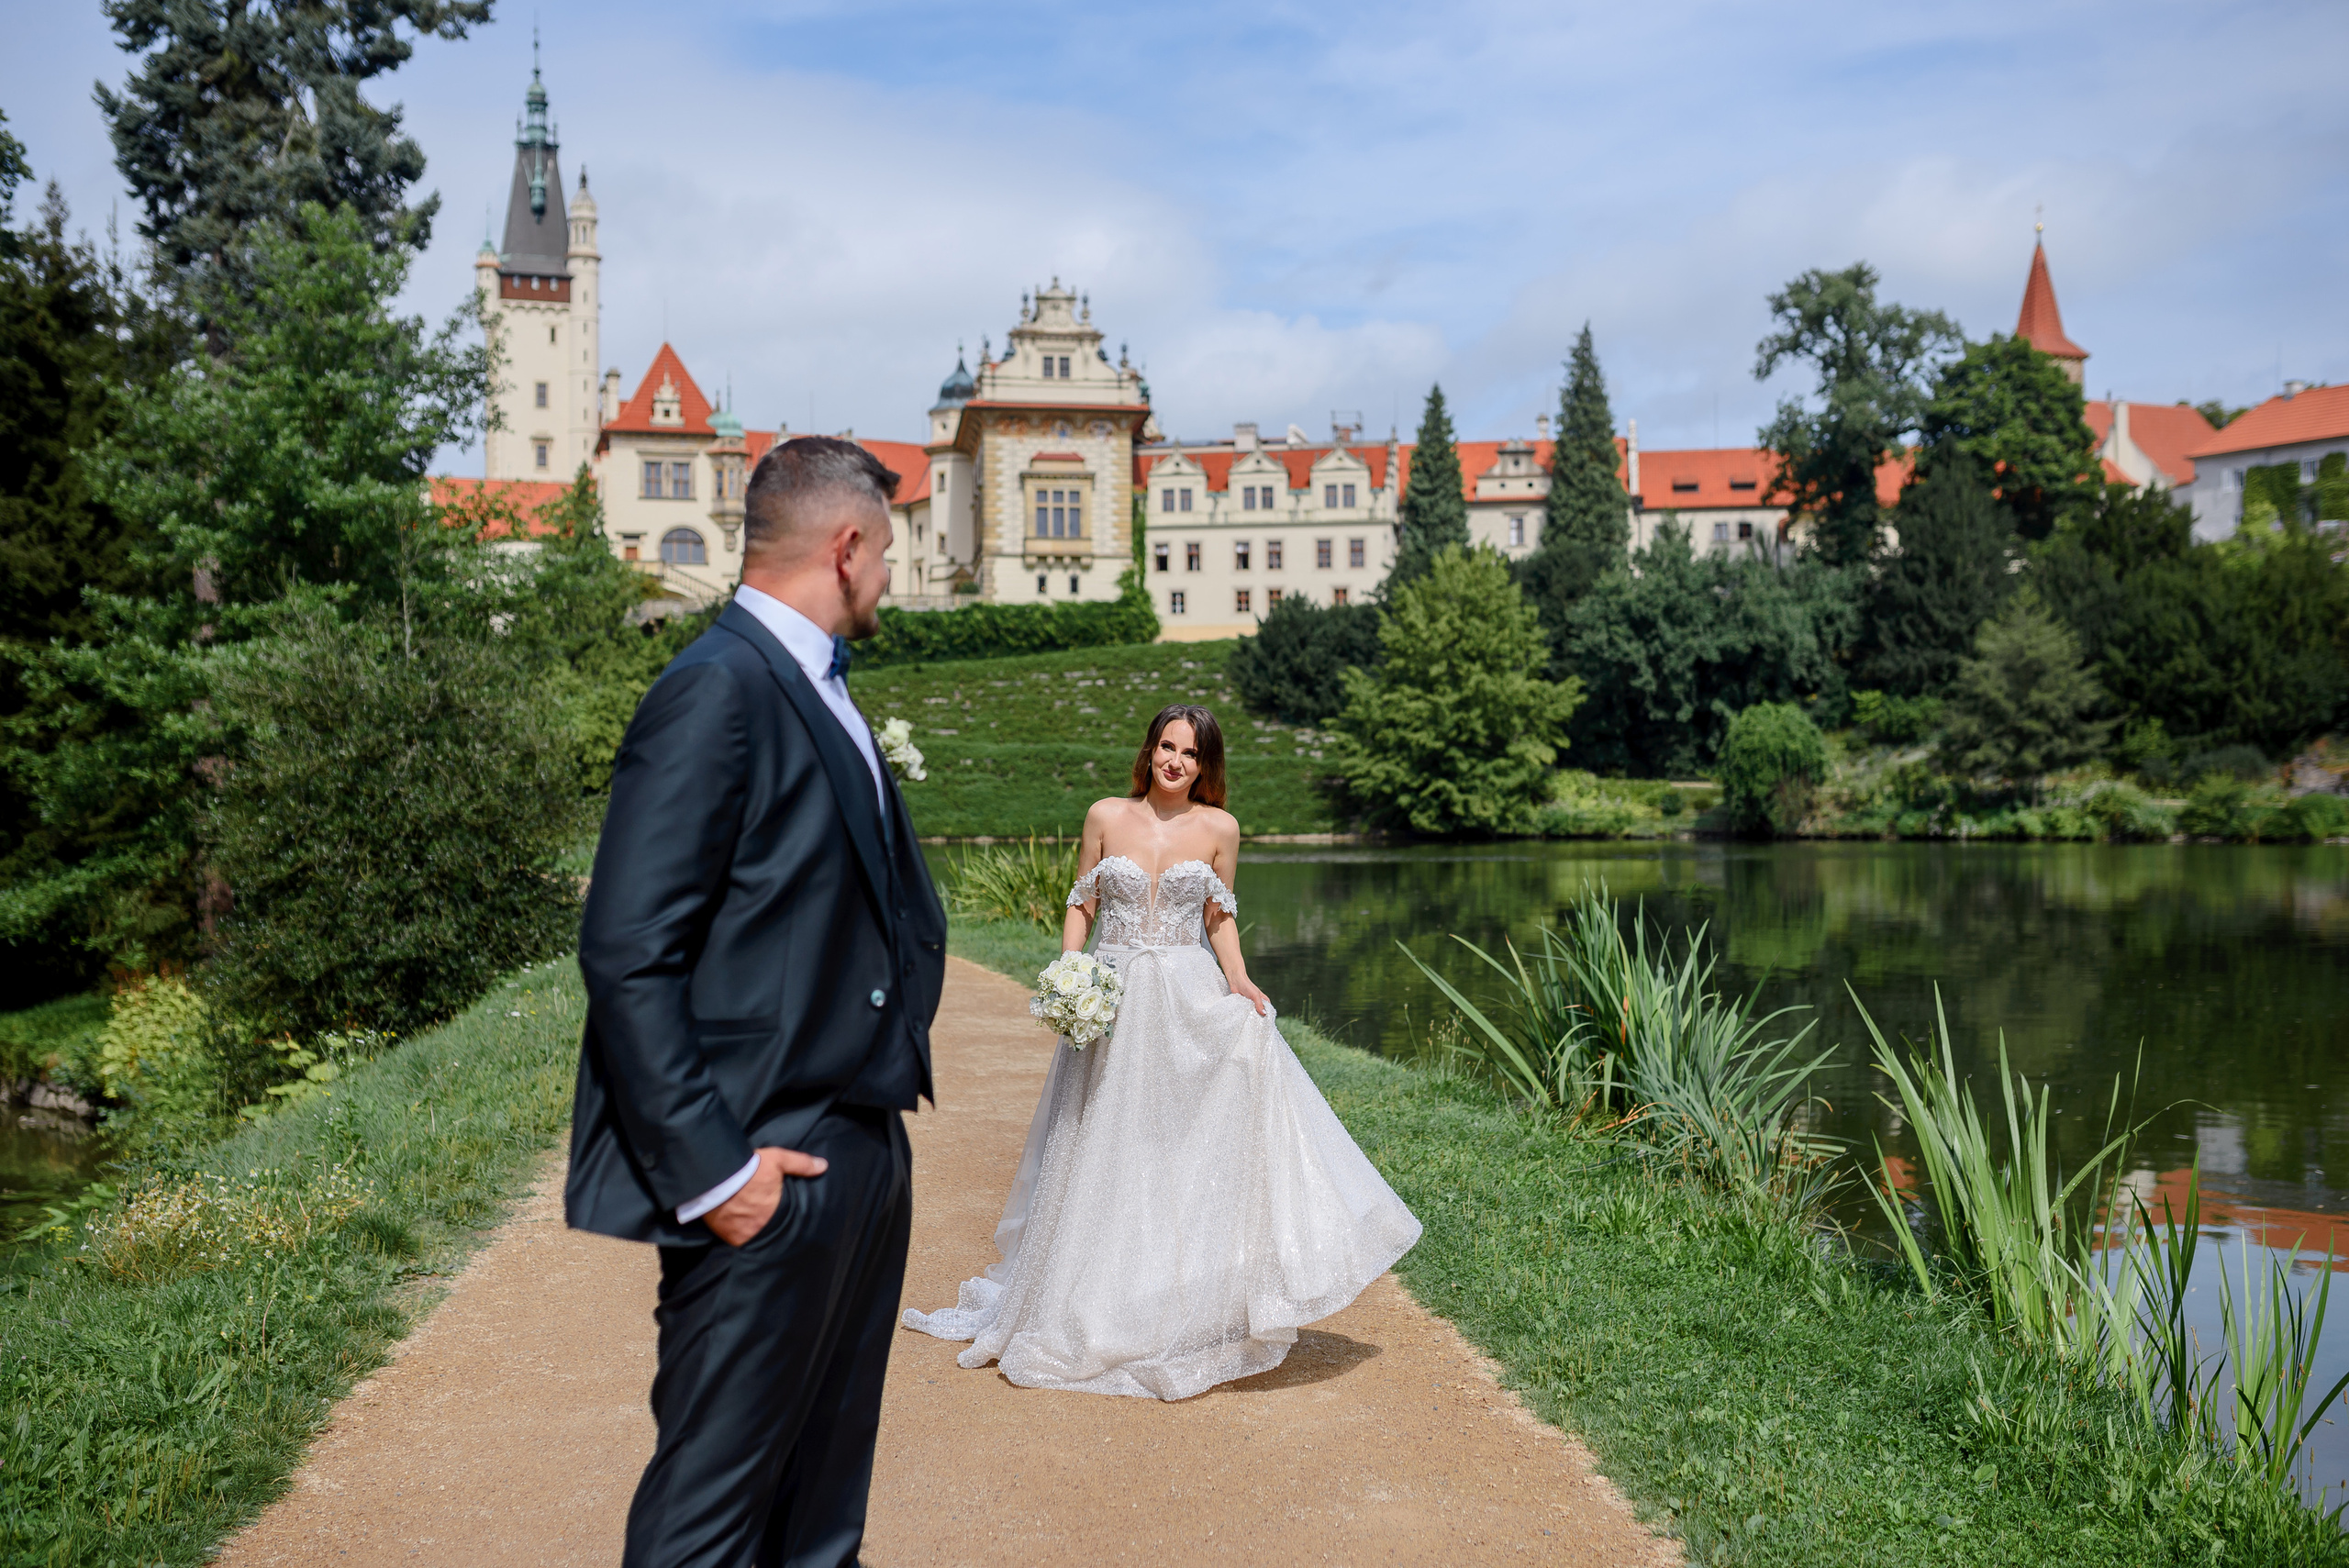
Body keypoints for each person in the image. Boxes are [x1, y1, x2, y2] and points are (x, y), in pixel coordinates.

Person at [566, 436, 946, 1568]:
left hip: (860, 1150)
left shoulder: (821, 690)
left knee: (820, 1516)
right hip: (763, 1164)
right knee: (711, 1523)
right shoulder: (714, 689)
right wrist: (715, 1174)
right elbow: (627, 949)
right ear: (844, 544)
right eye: (885, 550)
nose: (890, 575)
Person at [902, 704, 1419, 1399]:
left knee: (1177, 1138)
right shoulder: (1105, 814)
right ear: (1149, 751)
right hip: (1111, 996)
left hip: (1183, 991)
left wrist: (1238, 979)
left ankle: (1176, 1289)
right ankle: (1083, 1292)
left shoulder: (1220, 828)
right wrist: (1070, 970)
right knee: (1101, 1138)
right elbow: (1081, 901)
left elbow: (1219, 915)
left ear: (1206, 765)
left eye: (1192, 752)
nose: (1176, 760)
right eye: (1167, 746)